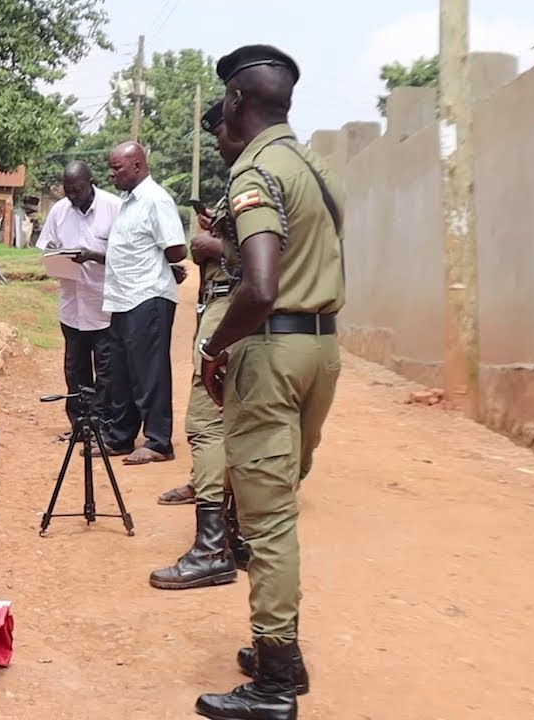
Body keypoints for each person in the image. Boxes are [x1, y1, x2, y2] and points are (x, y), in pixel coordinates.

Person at [194, 45, 344, 719]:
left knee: (268, 519)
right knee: (280, 499)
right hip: (321, 350)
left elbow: (258, 286)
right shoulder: (314, 166)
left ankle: (276, 679)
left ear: (235, 100)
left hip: (273, 353)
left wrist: (214, 346)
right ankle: (283, 656)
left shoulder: (256, 171)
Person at [149, 100, 253, 591]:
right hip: (237, 307)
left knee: (206, 423)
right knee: (239, 423)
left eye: (220, 133)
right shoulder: (272, 172)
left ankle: (214, 548)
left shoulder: (256, 177)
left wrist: (216, 247)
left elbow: (267, 255)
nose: (217, 144)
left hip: (234, 305)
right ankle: (238, 535)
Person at [74, 142, 187, 465]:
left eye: (117, 168)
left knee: (149, 372)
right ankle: (120, 437)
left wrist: (162, 264)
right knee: (120, 373)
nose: (111, 175)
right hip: (123, 298)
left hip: (148, 296)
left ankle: (158, 442)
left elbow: (176, 250)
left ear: (137, 165)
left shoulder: (155, 199)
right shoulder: (128, 202)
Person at [36, 161, 123, 444]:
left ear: (90, 182)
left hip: (104, 306)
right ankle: (80, 426)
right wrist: (57, 258)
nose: (73, 195)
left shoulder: (114, 208)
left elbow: (126, 256)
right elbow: (48, 248)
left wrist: (93, 256)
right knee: (75, 371)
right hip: (72, 306)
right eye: (68, 190)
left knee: (107, 373)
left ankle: (103, 427)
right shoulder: (59, 211)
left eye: (78, 189)